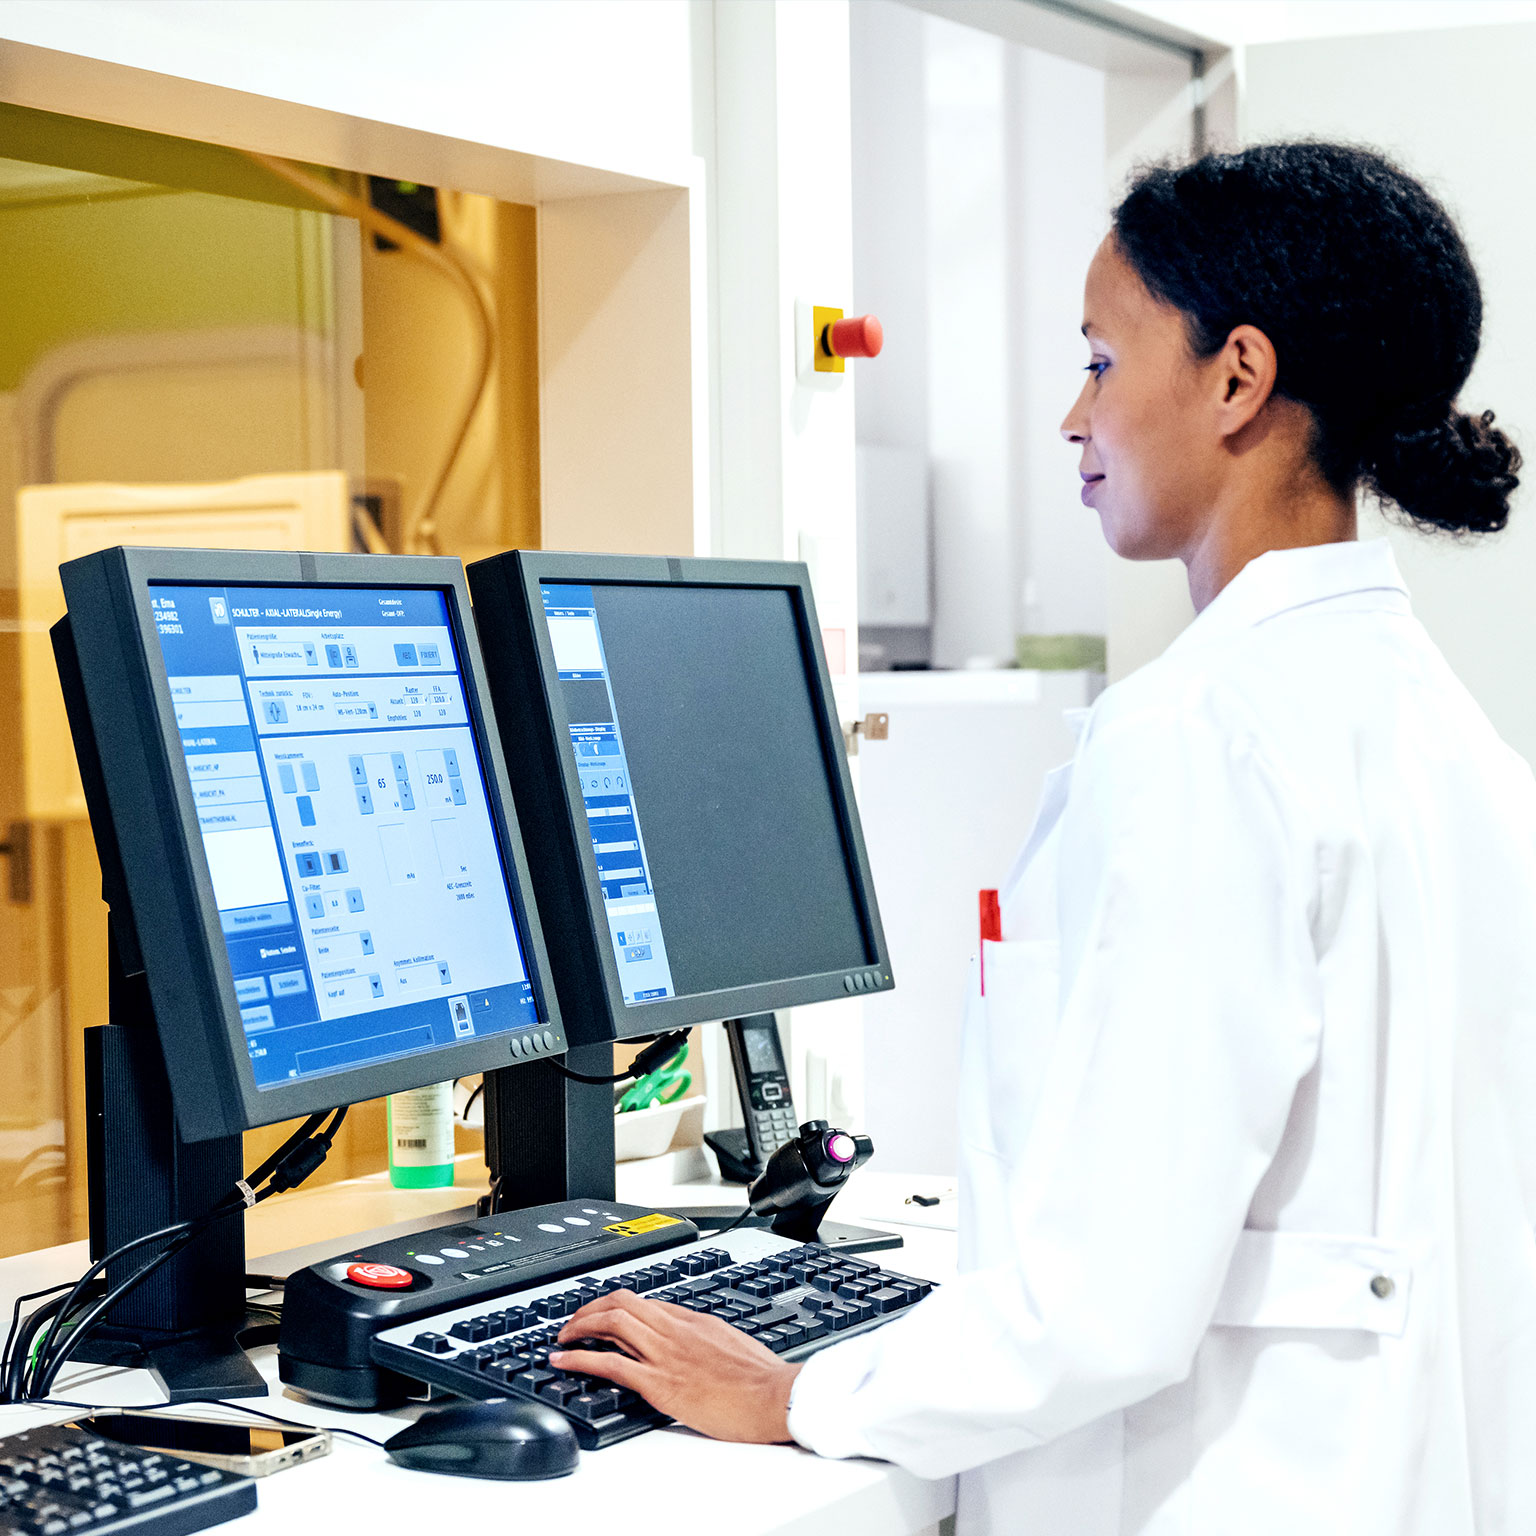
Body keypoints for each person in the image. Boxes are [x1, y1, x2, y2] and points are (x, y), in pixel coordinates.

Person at [552, 142, 1536, 1534]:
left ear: (1237, 379)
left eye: (1099, 361)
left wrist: (799, 1396)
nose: (1074, 418)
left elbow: (1104, 1305)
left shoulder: (1203, 737)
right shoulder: (1442, 727)